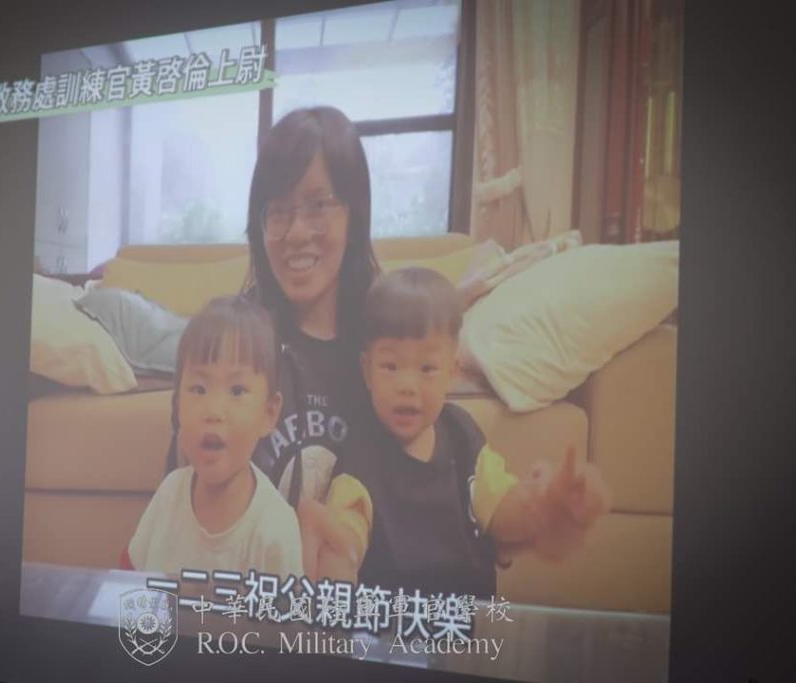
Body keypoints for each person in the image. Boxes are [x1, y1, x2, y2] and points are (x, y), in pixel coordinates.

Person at [326, 268, 611, 596]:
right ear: (366, 371)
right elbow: (349, 523)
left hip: (465, 617)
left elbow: (500, 512)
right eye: (390, 366)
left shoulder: (462, 436)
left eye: (427, 368)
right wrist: (340, 554)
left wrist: (541, 508)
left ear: (452, 372)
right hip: (392, 622)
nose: (407, 386)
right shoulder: (360, 449)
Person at [240, 106, 381, 578]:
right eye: (278, 211)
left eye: (319, 205)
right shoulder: (237, 341)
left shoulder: (385, 347)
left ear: (354, 214)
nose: (297, 233)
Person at [123, 296, 303, 578]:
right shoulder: (169, 495)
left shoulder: (274, 527)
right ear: (177, 404)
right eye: (198, 389)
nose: (213, 411)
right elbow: (129, 577)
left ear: (269, 414)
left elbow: (285, 607)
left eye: (237, 391)